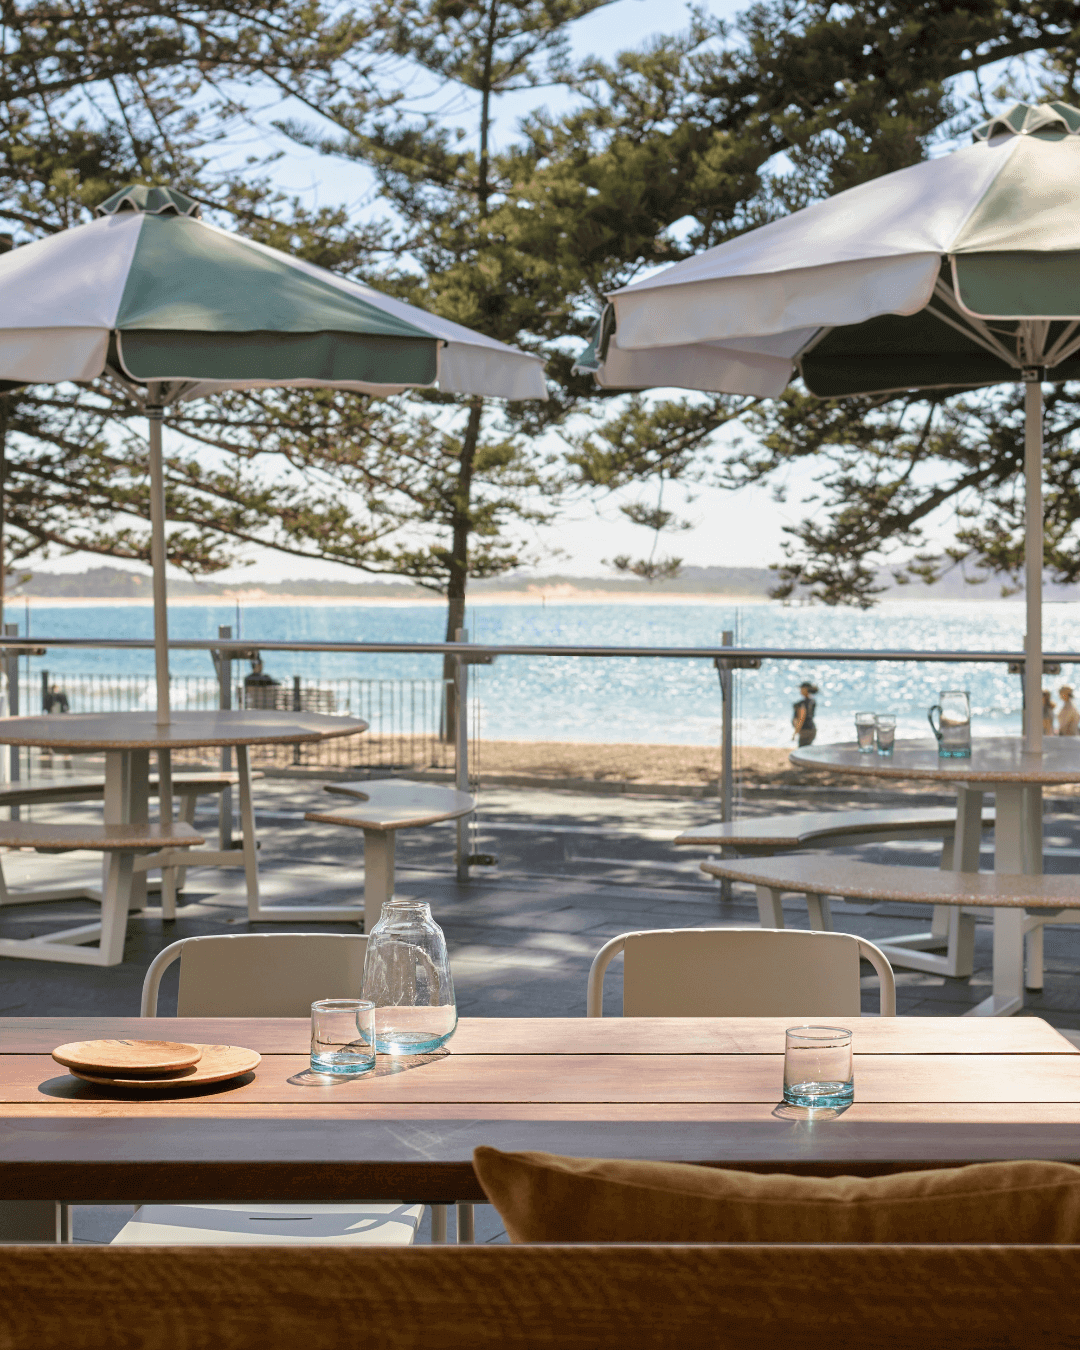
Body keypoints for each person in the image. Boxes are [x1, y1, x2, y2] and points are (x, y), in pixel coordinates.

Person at [792, 681, 818, 747]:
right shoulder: (812, 701)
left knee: (802, 750)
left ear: (805, 689)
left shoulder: (803, 703)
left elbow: (801, 718)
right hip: (811, 729)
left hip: (805, 730)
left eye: (801, 688)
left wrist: (795, 733)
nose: (800, 690)